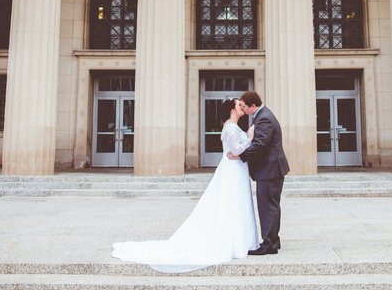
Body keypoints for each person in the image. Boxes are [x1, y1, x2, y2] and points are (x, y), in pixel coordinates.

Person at [111, 98, 259, 273]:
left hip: (234, 169)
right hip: (233, 170)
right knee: (233, 203)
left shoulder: (230, 125)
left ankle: (239, 238)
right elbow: (235, 151)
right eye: (239, 104)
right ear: (231, 109)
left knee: (234, 203)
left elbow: (233, 151)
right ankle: (235, 241)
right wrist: (250, 139)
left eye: (242, 104)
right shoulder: (232, 128)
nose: (242, 106)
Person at [227, 90, 289, 255]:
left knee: (268, 207)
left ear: (253, 106)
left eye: (245, 106)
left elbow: (261, 145)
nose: (244, 109)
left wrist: (239, 155)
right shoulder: (261, 116)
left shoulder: (265, 118)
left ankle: (269, 245)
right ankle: (272, 240)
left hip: (270, 170)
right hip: (269, 169)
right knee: (270, 206)